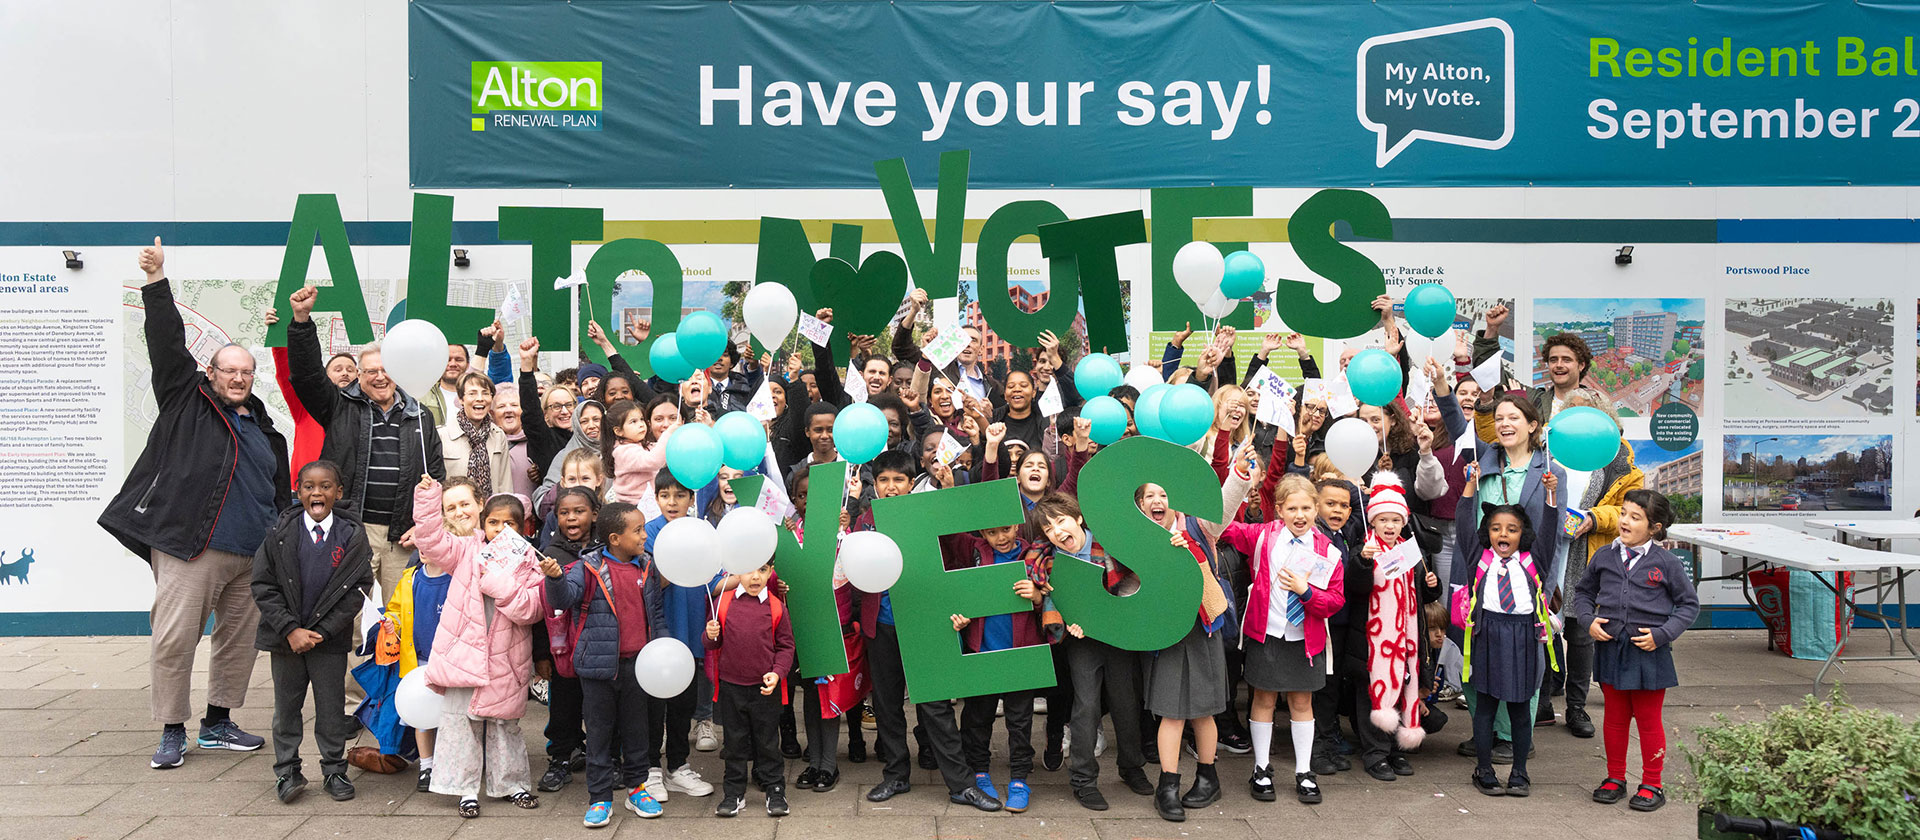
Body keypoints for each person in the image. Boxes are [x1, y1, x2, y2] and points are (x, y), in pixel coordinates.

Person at [102, 238, 284, 770]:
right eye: (229, 370)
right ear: (211, 373)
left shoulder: (264, 427)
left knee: (238, 642)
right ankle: (171, 729)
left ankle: (219, 722)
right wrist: (156, 281)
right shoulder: (187, 399)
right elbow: (166, 342)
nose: (238, 378)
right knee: (175, 639)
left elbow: (275, 489)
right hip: (191, 548)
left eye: (246, 372)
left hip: (252, 556)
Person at [858, 451, 1002, 812]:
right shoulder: (865, 521)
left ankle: (961, 785)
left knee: (936, 705)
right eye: (884, 480)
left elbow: (959, 548)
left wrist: (949, 498)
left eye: (899, 480)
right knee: (887, 705)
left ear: (911, 484)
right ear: (875, 485)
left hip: (925, 622)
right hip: (882, 625)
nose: (891, 487)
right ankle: (895, 775)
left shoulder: (929, 512)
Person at [287, 285, 445, 603]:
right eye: (371, 371)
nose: (380, 377)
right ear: (359, 376)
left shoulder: (421, 416)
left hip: (403, 536)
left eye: (386, 369)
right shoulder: (338, 406)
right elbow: (306, 376)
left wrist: (424, 526)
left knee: (401, 615)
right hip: (351, 530)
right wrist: (301, 322)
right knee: (349, 613)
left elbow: (436, 475)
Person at [411, 477, 545, 818]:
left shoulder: (529, 560)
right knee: (460, 724)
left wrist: (499, 586)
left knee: (505, 724)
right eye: (494, 522)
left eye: (509, 523)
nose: (501, 530)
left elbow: (532, 609)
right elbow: (430, 539)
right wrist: (427, 498)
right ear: (484, 522)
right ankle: (464, 790)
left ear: (522, 527)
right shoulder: (464, 549)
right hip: (463, 654)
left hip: (508, 657)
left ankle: (512, 784)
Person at [1451, 393, 1565, 765]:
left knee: (1521, 662)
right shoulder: (1483, 462)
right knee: (1476, 657)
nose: (1504, 424)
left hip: (1524, 584)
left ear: (1532, 425)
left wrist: (1544, 590)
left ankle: (1515, 737)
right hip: (1480, 579)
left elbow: (1552, 536)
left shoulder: (1550, 472)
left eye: (1513, 417)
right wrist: (1441, 386)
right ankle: (1485, 731)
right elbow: (1468, 523)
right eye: (1499, 418)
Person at [1221, 473, 1348, 806]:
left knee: (1302, 702)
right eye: (1292, 508)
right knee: (1263, 699)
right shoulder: (1263, 537)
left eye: (1306, 508)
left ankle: (1304, 771)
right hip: (1268, 633)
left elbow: (1335, 600)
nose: (1300, 515)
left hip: (1305, 638)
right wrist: (1236, 480)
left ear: (1316, 508)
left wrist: (1307, 593)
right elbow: (1222, 527)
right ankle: (1261, 768)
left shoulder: (1328, 551)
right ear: (1278, 509)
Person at [251, 460, 373, 804]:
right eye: (309, 486)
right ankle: (287, 770)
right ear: (298, 491)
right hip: (286, 641)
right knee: (286, 709)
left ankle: (334, 769)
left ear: (338, 492)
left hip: (328, 643)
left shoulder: (351, 536)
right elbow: (263, 585)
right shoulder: (279, 533)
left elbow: (358, 588)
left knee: (331, 709)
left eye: (325, 486)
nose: (316, 492)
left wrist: (322, 632)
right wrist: (291, 629)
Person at [542, 500, 669, 827]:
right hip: (598, 669)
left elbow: (656, 614)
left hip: (639, 667)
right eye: (637, 530)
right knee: (599, 734)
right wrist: (554, 579)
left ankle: (637, 788)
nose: (644, 536)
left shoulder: (647, 566)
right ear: (615, 539)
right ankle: (599, 797)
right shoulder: (588, 568)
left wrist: (662, 650)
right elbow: (563, 599)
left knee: (637, 731)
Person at [1144, 448, 1254, 821]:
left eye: (1163, 494)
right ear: (1140, 505)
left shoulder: (1198, 527)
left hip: (1202, 630)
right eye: (1149, 495)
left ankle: (1208, 778)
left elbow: (1225, 505)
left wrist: (1239, 473)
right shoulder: (1137, 539)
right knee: (1171, 713)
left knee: (1203, 712)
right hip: (1166, 636)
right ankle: (1167, 786)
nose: (1158, 501)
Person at [1573, 489, 1698, 814]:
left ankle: (1652, 784)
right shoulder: (1604, 556)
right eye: (1624, 513)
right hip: (1611, 650)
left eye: (1635, 517)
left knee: (1648, 721)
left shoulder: (1667, 563)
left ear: (1654, 528)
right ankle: (1615, 778)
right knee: (1614, 719)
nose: (1625, 521)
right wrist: (1588, 621)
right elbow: (1583, 593)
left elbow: (1689, 605)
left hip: (1649, 654)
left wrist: (1663, 634)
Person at [1030, 492, 1152, 811]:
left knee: (1126, 701)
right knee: (1086, 706)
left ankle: (1131, 766)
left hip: (1116, 633)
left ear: (1078, 518)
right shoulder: (1049, 562)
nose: (1057, 532)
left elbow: (1134, 578)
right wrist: (1067, 620)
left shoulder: (1108, 543)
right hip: (1081, 641)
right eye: (1048, 529)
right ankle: (1083, 779)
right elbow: (1054, 601)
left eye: (1060, 522)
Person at [1454, 464, 1560, 799]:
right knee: (1485, 708)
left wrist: (1551, 494)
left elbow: (1550, 530)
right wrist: (1470, 486)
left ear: (1522, 534)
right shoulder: (1479, 559)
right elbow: (1462, 521)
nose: (1503, 534)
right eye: (1496, 528)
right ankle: (1484, 770)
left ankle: (1519, 772)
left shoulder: (1533, 560)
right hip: (1487, 635)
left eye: (1512, 529)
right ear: (1487, 533)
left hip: (1523, 638)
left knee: (1519, 710)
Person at [943, 514, 1058, 815]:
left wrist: (1037, 597)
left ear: (1017, 525)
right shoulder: (975, 550)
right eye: (992, 532)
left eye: (1006, 529)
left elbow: (1056, 600)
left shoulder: (1034, 555)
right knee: (977, 718)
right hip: (982, 651)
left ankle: (1020, 778)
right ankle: (979, 771)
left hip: (1021, 653)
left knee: (1020, 721)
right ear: (982, 532)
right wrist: (962, 617)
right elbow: (956, 574)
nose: (1001, 537)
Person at [1549, 389, 1642, 740]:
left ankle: (1576, 706)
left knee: (1580, 632)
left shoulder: (1618, 458)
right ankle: (1542, 701)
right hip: (1549, 552)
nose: (1576, 419)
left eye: (1584, 412)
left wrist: (1593, 518)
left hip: (1588, 553)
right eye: (1570, 412)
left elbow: (1630, 509)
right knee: (1543, 627)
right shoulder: (1548, 448)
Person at [386, 477, 474, 793]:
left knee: (452, 715)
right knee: (421, 716)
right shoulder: (410, 577)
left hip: (451, 659)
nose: (424, 550)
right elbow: (395, 609)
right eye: (421, 545)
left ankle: (452, 763)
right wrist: (390, 624)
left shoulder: (456, 578)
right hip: (419, 659)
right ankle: (426, 766)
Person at [1356, 474, 1442, 780]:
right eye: (1383, 520)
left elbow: (1421, 595)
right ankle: (1375, 753)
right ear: (1373, 521)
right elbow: (1356, 586)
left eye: (1395, 520)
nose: (1390, 526)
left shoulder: (1409, 550)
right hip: (1374, 640)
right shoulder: (1365, 548)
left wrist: (1431, 586)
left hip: (1406, 637)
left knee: (1403, 686)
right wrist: (1363, 562)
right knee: (1376, 692)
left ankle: (1394, 750)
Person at [640, 470, 718, 803]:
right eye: (665, 495)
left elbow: (714, 580)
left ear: (692, 498)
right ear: (656, 498)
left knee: (683, 705)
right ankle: (650, 770)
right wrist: (674, 564)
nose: (672, 502)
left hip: (692, 630)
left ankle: (677, 766)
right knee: (654, 706)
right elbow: (646, 584)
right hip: (658, 634)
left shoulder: (702, 532)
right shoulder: (648, 533)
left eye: (680, 495)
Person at [704, 559, 796, 818]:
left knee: (768, 742)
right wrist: (709, 634)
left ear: (771, 572)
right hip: (731, 687)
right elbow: (712, 644)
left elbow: (786, 646)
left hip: (765, 689)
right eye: (748, 570)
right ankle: (733, 792)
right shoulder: (723, 603)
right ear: (736, 572)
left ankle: (775, 789)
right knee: (734, 744)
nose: (755, 577)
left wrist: (777, 673)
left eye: (762, 570)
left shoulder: (776, 607)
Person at [534, 484, 601, 793]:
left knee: (601, 708)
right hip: (564, 650)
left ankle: (606, 759)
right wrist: (541, 655)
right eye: (564, 513)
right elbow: (542, 610)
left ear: (595, 514)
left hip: (599, 646)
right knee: (563, 707)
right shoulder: (551, 555)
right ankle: (560, 758)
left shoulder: (606, 550)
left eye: (579, 511)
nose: (571, 518)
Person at [440, 371, 511, 497]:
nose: (480, 398)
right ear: (461, 399)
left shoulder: (498, 435)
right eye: (472, 393)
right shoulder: (442, 436)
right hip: (456, 506)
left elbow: (505, 484)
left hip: (491, 507)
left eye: (485, 393)